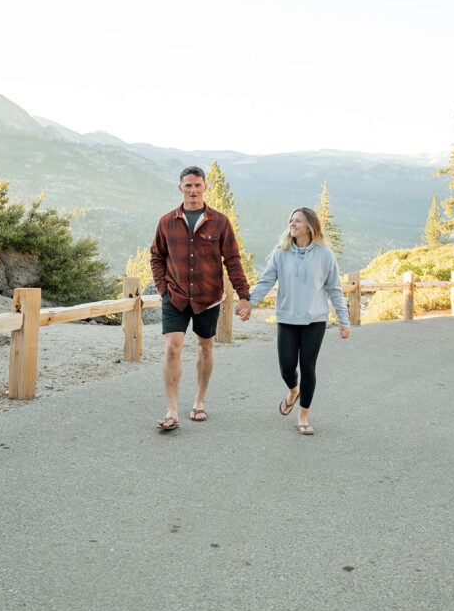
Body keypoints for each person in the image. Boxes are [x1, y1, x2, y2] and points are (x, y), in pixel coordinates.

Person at [150, 166, 251, 430]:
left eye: (197, 185)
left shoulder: (220, 222)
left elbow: (232, 260)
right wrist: (163, 289)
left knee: (205, 347)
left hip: (208, 297)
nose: (193, 190)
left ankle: (199, 399)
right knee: (172, 347)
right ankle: (172, 410)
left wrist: (244, 296)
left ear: (205, 187)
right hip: (175, 296)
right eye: (188, 186)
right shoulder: (166, 222)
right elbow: (156, 257)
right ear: (180, 188)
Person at [236, 207, 350, 435]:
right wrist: (249, 303)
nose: (292, 224)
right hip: (287, 319)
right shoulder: (281, 253)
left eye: (297, 221)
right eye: (291, 220)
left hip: (314, 321)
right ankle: (292, 391)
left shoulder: (325, 255)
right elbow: (265, 282)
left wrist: (343, 320)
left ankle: (303, 415)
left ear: (309, 226)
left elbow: (335, 289)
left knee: (308, 367)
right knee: (287, 367)